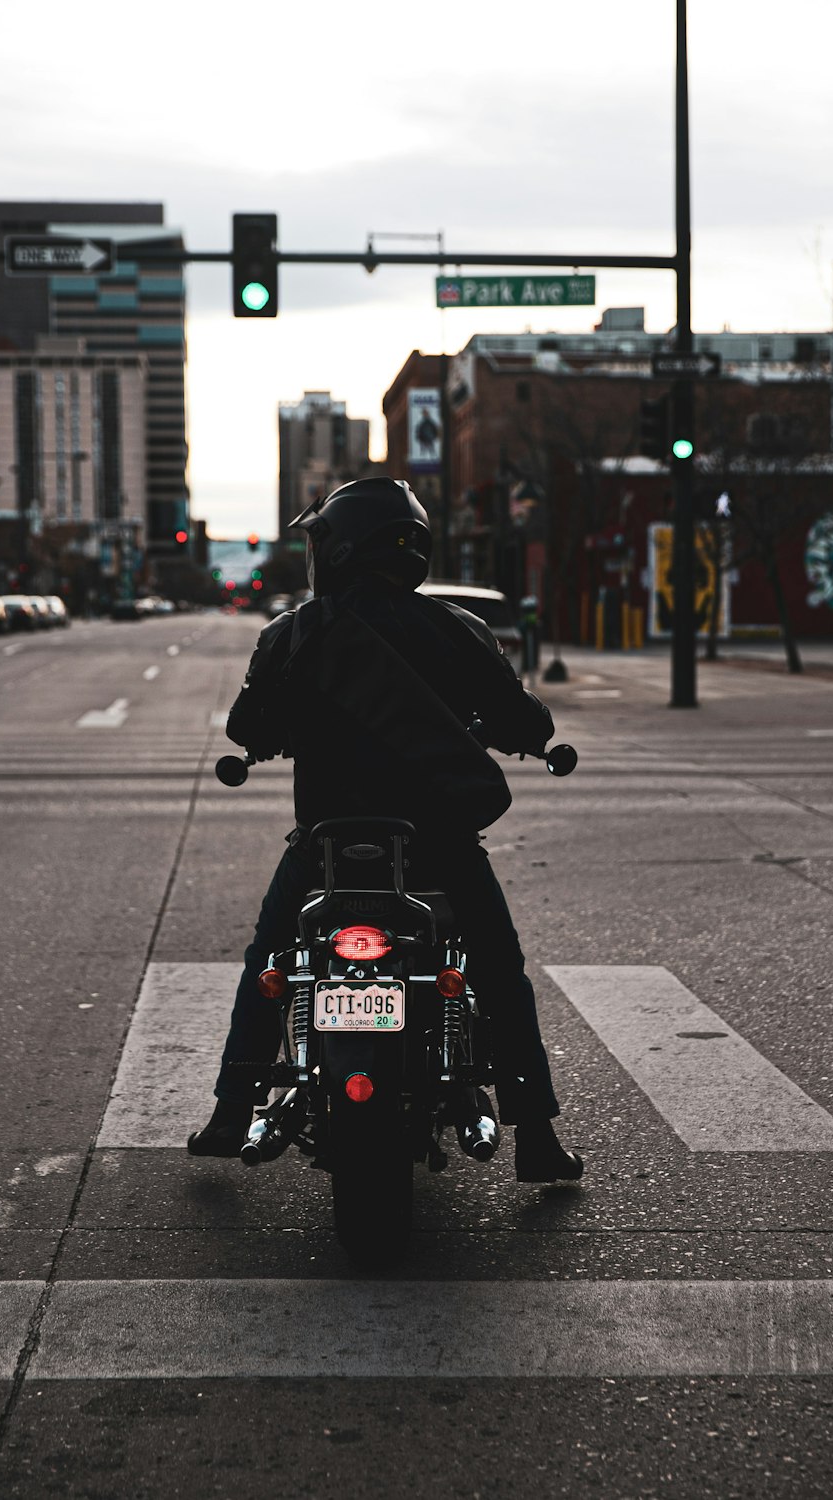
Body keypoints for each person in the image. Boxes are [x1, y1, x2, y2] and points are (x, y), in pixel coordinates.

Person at [188, 477, 582, 1183]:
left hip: (328, 851)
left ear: (338, 549)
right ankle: (539, 1136)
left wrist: (286, 730)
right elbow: (532, 725)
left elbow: (247, 728)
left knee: (269, 958)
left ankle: (229, 1109)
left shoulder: (296, 632)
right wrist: (491, 729)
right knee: (496, 965)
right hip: (439, 849)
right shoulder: (458, 629)